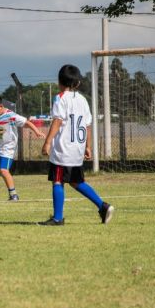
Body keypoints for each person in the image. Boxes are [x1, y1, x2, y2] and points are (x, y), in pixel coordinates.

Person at [39, 64, 114, 226]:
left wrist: (47, 142)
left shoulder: (60, 98)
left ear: (59, 82)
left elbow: (58, 121)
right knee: (75, 181)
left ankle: (57, 218)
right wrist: (88, 146)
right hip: (77, 148)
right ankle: (103, 206)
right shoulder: (83, 100)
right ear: (78, 83)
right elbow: (87, 125)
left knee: (58, 181)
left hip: (63, 149)